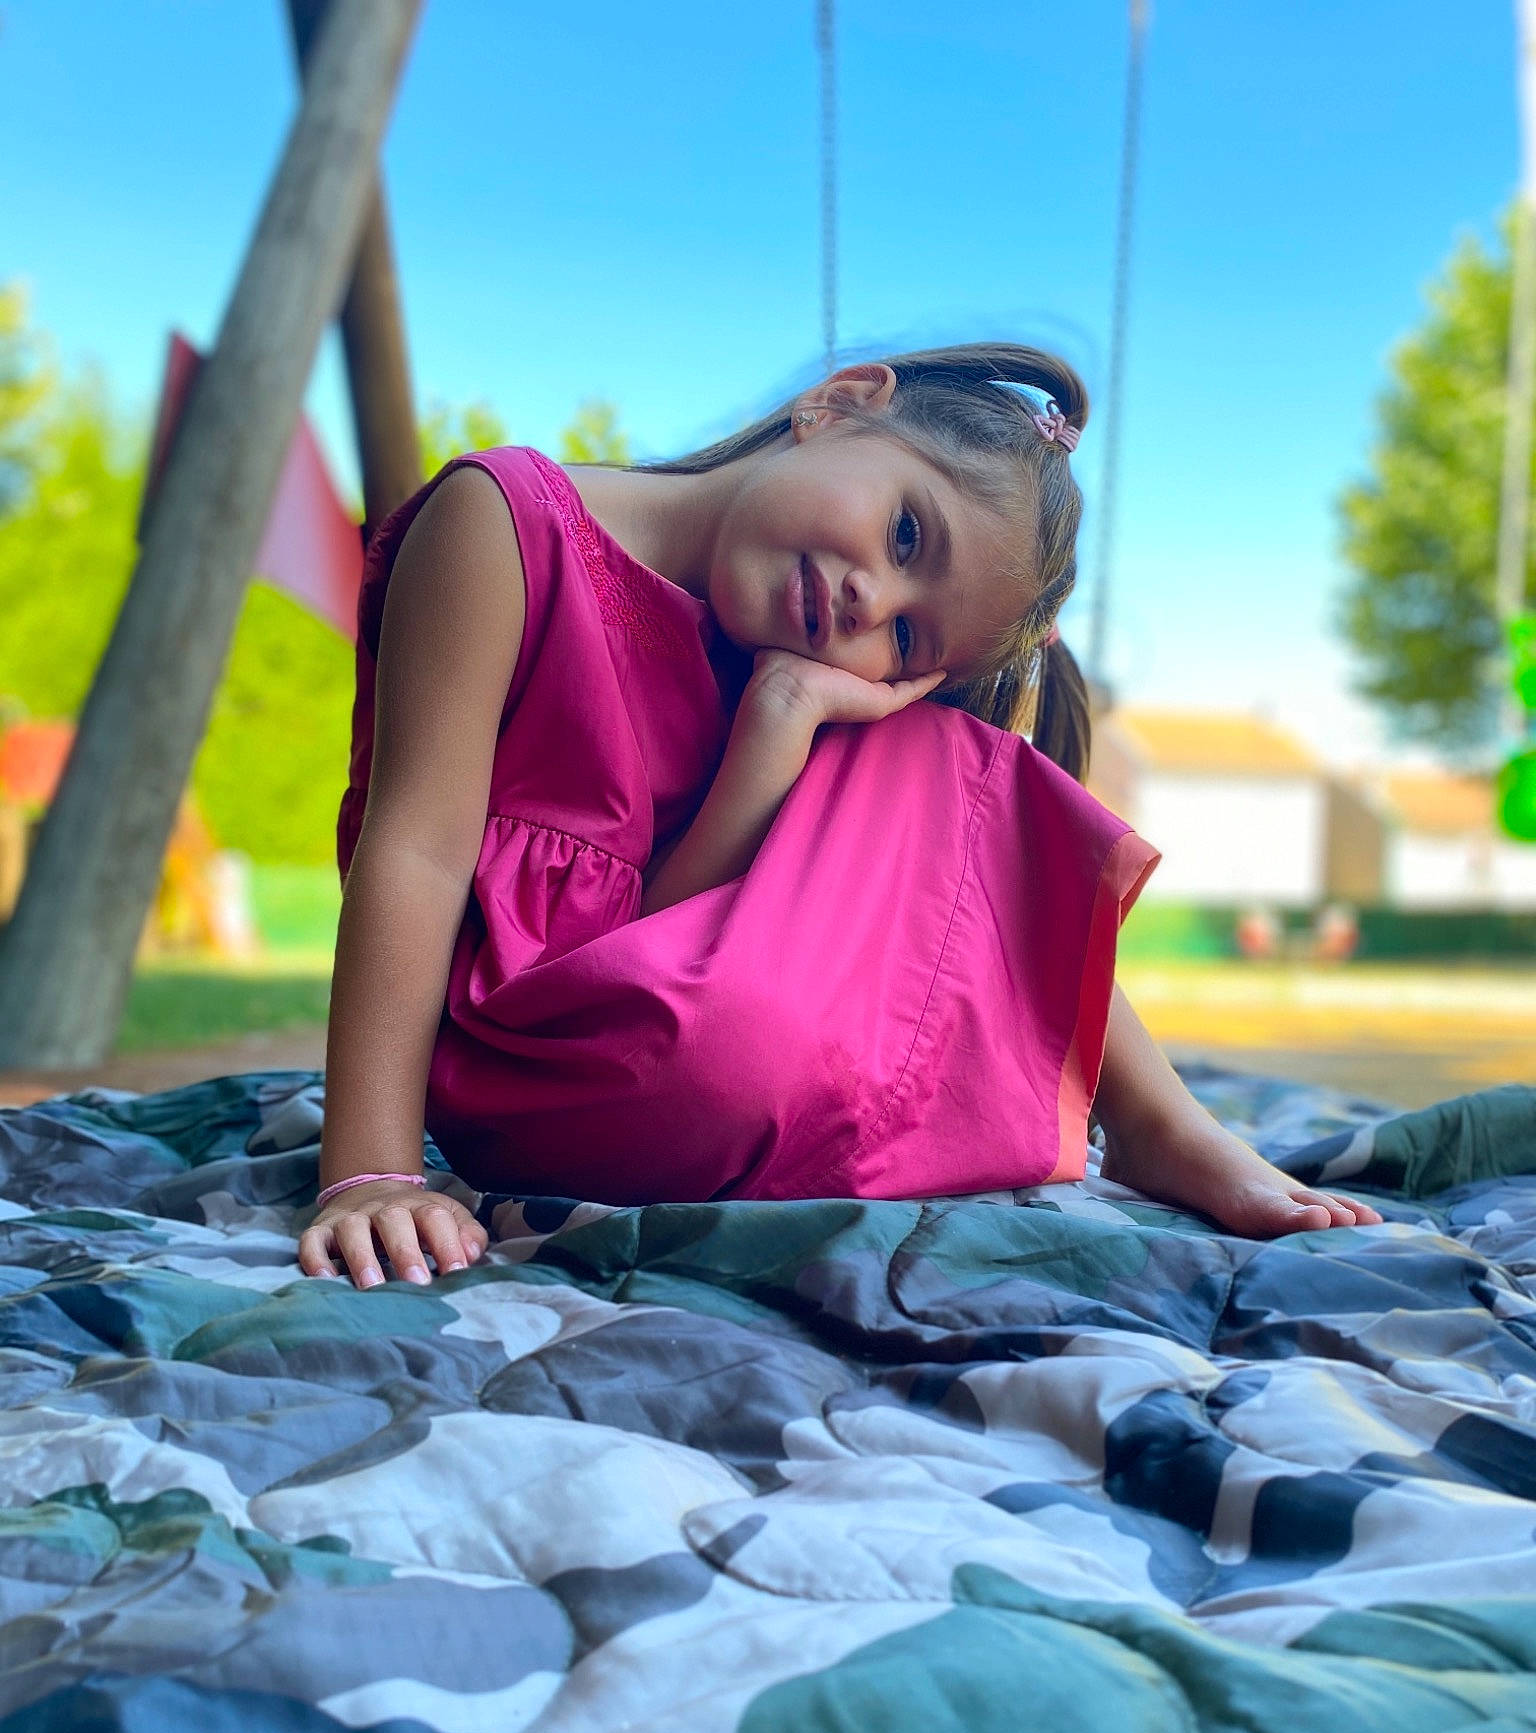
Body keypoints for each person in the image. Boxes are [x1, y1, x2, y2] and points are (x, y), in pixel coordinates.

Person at [298, 346, 1380, 1288]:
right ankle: (1100, 1113)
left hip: (668, 1043)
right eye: (907, 533)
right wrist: (371, 1172)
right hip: (525, 1065)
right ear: (842, 401)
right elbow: (417, 850)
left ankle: (1153, 1118)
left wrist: (775, 729)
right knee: (921, 780)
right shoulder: (501, 523)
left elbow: (657, 948)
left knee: (938, 752)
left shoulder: (782, 660)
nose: (873, 603)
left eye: (909, 640)